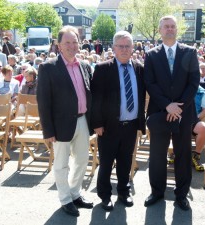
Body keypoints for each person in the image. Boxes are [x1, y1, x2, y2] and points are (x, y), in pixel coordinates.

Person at [144, 15, 200, 211]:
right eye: (166, 27)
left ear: (177, 30)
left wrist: (178, 107)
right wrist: (168, 106)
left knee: (183, 154)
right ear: (160, 30)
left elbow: (194, 83)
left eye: (172, 26)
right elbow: (149, 83)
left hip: (183, 115)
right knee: (157, 154)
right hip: (160, 113)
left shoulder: (190, 52)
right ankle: (157, 191)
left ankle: (182, 194)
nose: (169, 29)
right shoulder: (151, 55)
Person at [37, 25, 93, 217]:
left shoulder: (84, 66)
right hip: (60, 125)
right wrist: (48, 130)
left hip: (83, 121)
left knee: (82, 160)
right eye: (67, 42)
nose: (71, 46)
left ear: (79, 43)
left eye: (74, 42)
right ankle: (65, 199)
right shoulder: (48, 68)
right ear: (59, 46)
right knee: (61, 164)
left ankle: (75, 193)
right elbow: (43, 102)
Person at [91, 31, 146, 211]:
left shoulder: (139, 68)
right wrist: (97, 123)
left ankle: (123, 191)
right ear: (114, 48)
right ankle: (105, 195)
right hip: (108, 127)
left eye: (127, 46)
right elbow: (96, 99)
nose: (124, 49)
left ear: (132, 48)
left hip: (130, 126)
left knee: (125, 162)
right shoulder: (102, 68)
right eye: (120, 46)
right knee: (106, 163)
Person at [192, 86, 205, 171]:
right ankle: (175, 153)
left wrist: (196, 118)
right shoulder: (178, 86)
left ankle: (196, 156)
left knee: (204, 128)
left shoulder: (202, 91)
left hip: (195, 118)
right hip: (179, 118)